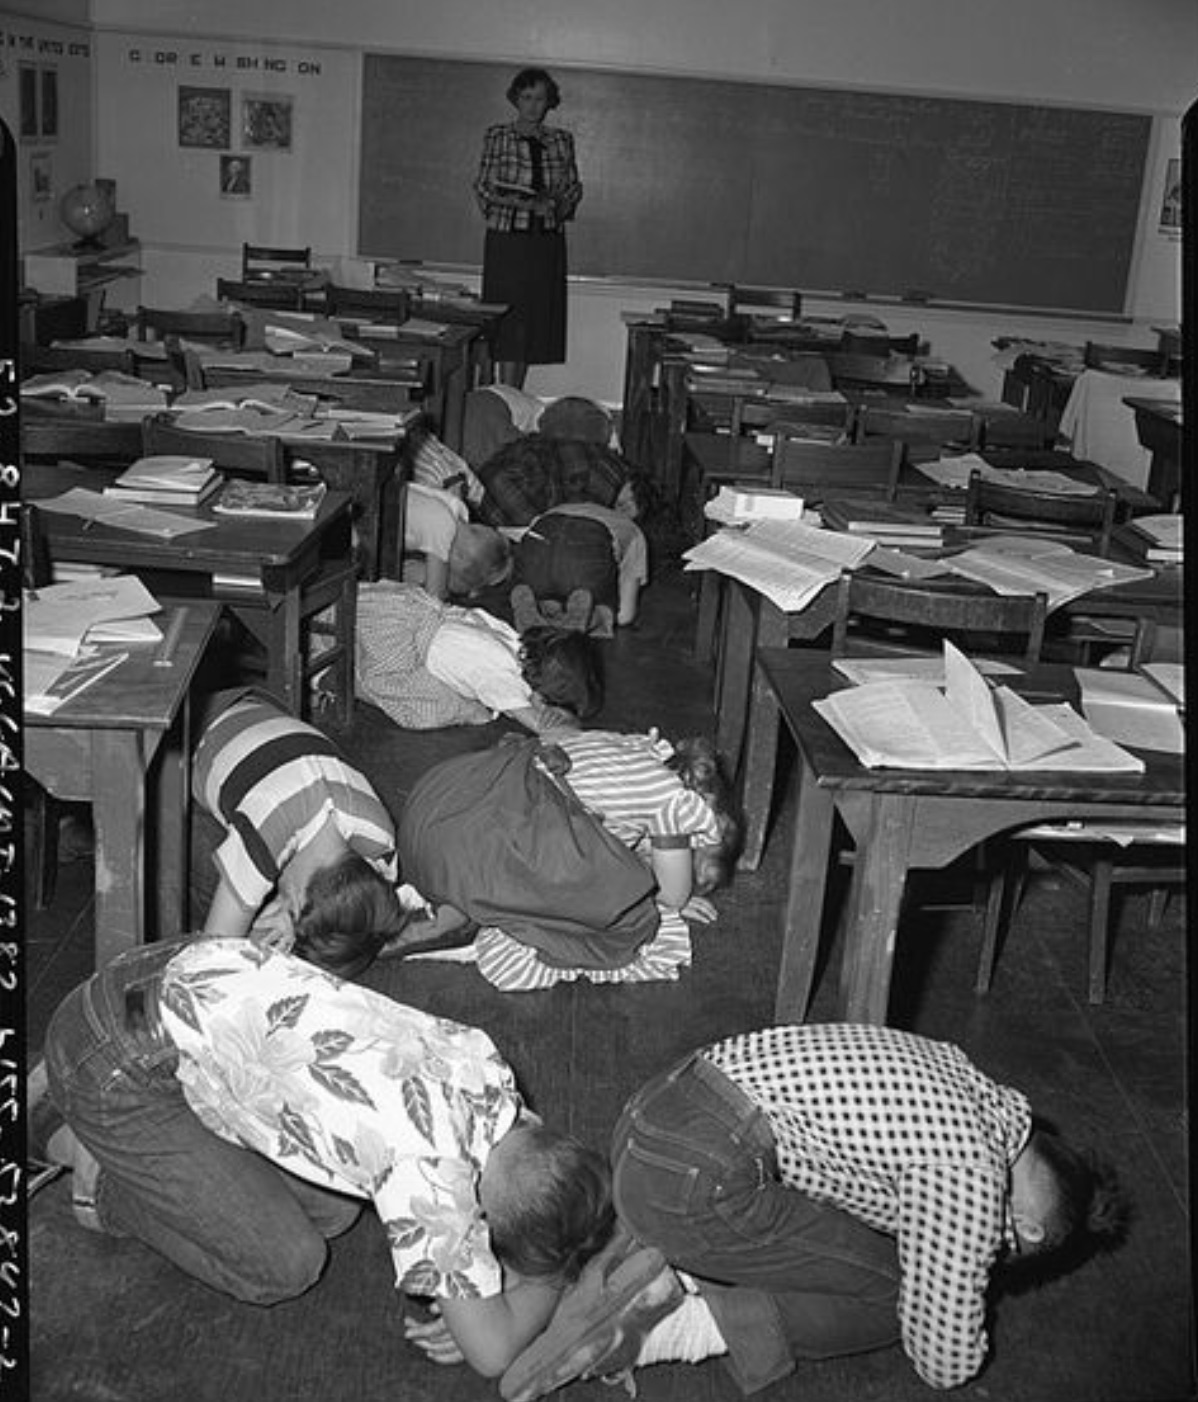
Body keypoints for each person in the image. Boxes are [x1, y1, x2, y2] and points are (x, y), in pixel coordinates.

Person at [32, 936, 615, 1379]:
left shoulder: (487, 1069)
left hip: (173, 974)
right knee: (287, 1264)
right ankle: (81, 1157)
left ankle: (136, 1138)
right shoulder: (430, 1185)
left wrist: (480, 1276)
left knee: (336, 1211)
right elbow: (491, 1353)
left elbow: (526, 1165)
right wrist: (552, 1278)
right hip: (111, 1060)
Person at [500, 1022, 1129, 1400]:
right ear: (1025, 1226)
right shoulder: (969, 1176)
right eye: (1007, 1248)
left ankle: (668, 1265)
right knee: (901, 1294)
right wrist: (966, 1290)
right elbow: (944, 1360)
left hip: (651, 1121)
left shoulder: (968, 1081)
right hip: (694, 1178)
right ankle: (669, 1329)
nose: (993, 1254)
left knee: (859, 1243)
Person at [393, 727, 742, 990]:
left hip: (433, 816)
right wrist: (677, 896)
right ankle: (494, 938)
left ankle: (454, 907)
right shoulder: (675, 805)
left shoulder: (638, 748)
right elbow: (672, 895)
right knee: (635, 924)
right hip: (471, 854)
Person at [191, 689, 410, 964]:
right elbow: (212, 957)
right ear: (294, 900)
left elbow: (372, 904)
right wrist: (269, 925)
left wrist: (287, 914)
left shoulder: (380, 840)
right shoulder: (266, 830)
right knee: (203, 898)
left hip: (264, 710)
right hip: (196, 726)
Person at [354, 581, 602, 733]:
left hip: (404, 612)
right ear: (543, 693)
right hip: (400, 644)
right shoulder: (504, 681)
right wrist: (569, 723)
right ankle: (342, 680)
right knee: (442, 710)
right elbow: (545, 729)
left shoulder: (512, 641)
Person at [474, 67, 582, 388]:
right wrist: (524, 204)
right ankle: (504, 396)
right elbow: (483, 188)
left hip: (545, 243)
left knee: (533, 325)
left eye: (541, 99)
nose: (534, 105)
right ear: (515, 99)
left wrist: (560, 203)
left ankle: (514, 396)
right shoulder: (497, 136)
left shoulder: (561, 140)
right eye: (527, 97)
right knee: (508, 323)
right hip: (508, 241)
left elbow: (572, 187)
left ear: (550, 102)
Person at [402, 480, 512, 601]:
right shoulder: (443, 529)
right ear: (459, 557)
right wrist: (426, 575)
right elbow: (433, 602)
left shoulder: (456, 506)